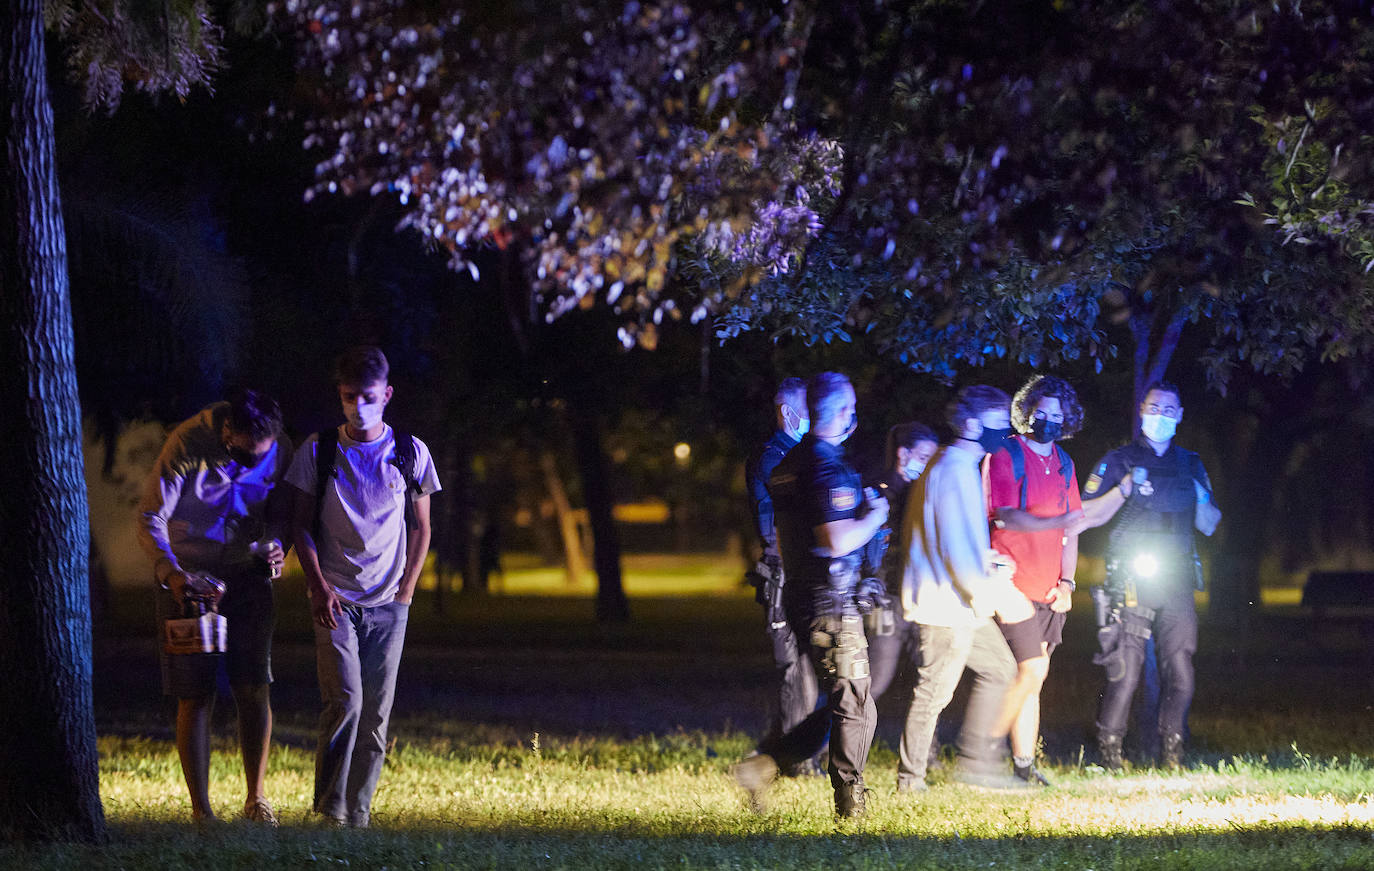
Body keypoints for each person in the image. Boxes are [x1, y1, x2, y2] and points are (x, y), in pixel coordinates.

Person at [287, 346, 441, 827]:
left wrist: (407, 591)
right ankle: (330, 811)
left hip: (389, 603)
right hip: (336, 600)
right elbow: (299, 526)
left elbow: (422, 527)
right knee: (345, 702)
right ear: (340, 395)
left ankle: (359, 814)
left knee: (375, 715)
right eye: (350, 396)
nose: (359, 405)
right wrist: (317, 586)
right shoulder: (319, 450)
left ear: (387, 395)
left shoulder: (410, 452)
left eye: (368, 396)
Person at [732, 372, 890, 818]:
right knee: (856, 706)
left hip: (802, 596)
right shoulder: (825, 465)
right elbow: (836, 540)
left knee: (849, 702)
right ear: (841, 411)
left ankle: (766, 765)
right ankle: (849, 804)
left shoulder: (789, 464)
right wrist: (875, 517)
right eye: (851, 406)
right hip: (831, 601)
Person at [137, 388, 290, 825]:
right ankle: (201, 809)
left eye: (258, 457)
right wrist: (173, 575)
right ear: (227, 433)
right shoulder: (186, 443)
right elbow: (151, 516)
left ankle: (257, 799)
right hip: (191, 579)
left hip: (249, 575)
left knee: (254, 685)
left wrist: (278, 545)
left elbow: (282, 511)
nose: (251, 464)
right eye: (242, 456)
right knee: (195, 693)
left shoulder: (279, 447)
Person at [1079, 380, 1221, 770]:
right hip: (1131, 578)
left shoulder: (1190, 463)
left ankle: (1173, 753)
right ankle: (1110, 755)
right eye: (1154, 408)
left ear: (1179, 416)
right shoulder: (1119, 459)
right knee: (1125, 669)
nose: (1160, 416)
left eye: (1169, 410)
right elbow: (1086, 515)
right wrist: (1125, 489)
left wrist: (1201, 495)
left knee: (1181, 668)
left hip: (1177, 579)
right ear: (1142, 410)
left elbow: (1209, 525)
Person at [899, 385, 1034, 790]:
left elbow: (954, 539)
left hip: (960, 602)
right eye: (998, 425)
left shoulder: (958, 464)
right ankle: (911, 780)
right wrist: (991, 597)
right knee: (934, 693)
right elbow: (955, 549)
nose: (1005, 435)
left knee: (1000, 669)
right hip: (946, 605)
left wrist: (989, 562)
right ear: (972, 424)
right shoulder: (954, 470)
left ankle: (976, 765)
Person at [985, 375, 1089, 786]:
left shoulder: (1064, 463)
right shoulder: (1008, 453)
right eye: (1040, 412)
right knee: (1030, 672)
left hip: (1049, 589)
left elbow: (1073, 529)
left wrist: (1068, 583)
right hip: (1012, 586)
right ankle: (982, 754)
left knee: (1033, 678)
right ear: (1027, 412)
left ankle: (1023, 766)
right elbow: (1007, 515)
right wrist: (1060, 520)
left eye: (1056, 415)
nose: (1048, 420)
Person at [743, 377, 819, 774]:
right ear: (788, 413)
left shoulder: (798, 455)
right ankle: (795, 762)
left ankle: (785, 750)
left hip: (799, 571)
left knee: (809, 667)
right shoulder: (774, 458)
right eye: (808, 409)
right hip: (782, 575)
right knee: (795, 668)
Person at [865, 422, 943, 791]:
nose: (930, 465)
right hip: (887, 599)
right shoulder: (882, 490)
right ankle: (831, 748)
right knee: (874, 680)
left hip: (921, 596)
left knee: (931, 675)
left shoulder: (924, 492)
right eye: (924, 457)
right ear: (903, 455)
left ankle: (927, 754)